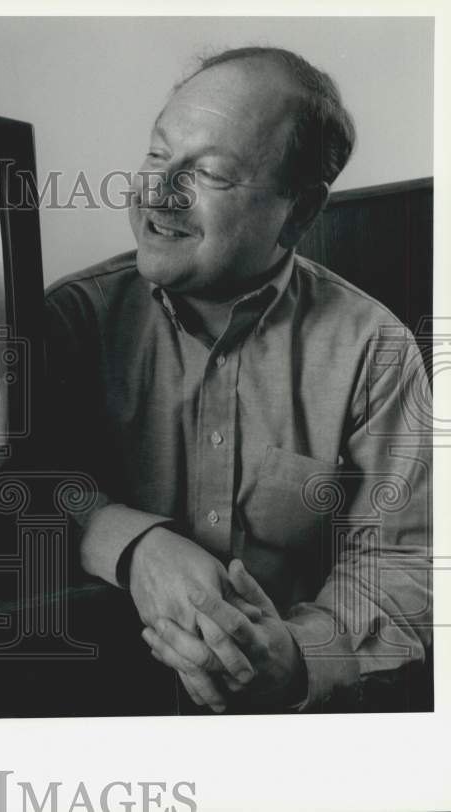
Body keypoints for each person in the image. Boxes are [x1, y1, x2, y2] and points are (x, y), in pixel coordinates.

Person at [45, 47, 431, 712]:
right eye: (157, 154)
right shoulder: (65, 321)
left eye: (212, 175)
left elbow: (408, 558)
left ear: (300, 211)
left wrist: (301, 657)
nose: (158, 193)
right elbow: (9, 486)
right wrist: (127, 540)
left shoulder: (377, 351)